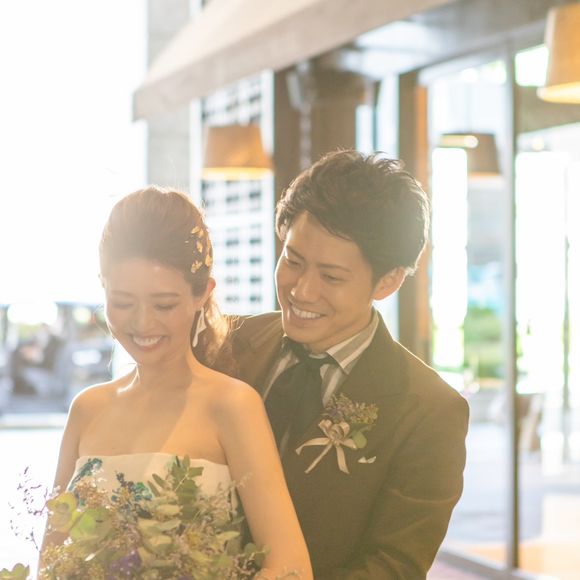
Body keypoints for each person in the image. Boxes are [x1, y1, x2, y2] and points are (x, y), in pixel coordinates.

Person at [46, 186, 313, 579]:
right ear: (102, 287)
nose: (142, 323)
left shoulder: (232, 405)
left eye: (164, 305)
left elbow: (291, 568)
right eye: (123, 302)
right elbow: (51, 562)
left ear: (202, 294)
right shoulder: (87, 409)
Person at [233, 150, 469, 579]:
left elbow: (393, 566)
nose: (302, 291)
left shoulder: (429, 410)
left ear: (388, 281)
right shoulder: (229, 343)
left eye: (332, 277)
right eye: (292, 260)